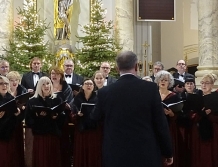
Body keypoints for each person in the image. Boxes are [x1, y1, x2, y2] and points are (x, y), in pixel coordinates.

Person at [91, 51, 173, 167]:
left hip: (115, 153)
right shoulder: (150, 89)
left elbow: (95, 117)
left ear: (117, 68)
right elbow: (160, 123)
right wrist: (168, 152)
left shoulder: (105, 92)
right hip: (145, 152)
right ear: (136, 66)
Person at [25, 76, 64, 167]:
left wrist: (56, 117)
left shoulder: (57, 99)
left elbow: (63, 117)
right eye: (43, 84)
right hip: (40, 135)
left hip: (53, 133)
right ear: (39, 86)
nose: (46, 86)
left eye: (48, 84)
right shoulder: (32, 101)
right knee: (41, 159)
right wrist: (38, 117)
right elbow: (28, 120)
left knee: (53, 159)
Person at [71, 78, 102, 167]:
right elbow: (72, 112)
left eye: (91, 84)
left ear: (94, 86)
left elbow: (102, 113)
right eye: (86, 84)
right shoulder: (77, 98)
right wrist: (77, 114)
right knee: (81, 153)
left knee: (93, 153)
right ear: (83, 86)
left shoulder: (98, 98)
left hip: (94, 130)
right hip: (81, 130)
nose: (88, 85)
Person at [155, 70, 182, 167]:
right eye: (161, 79)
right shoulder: (153, 95)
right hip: (155, 127)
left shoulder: (174, 96)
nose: (163, 81)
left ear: (169, 82)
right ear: (158, 81)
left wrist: (171, 114)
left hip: (169, 126)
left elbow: (179, 115)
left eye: (166, 80)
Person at [49, 66, 73, 167]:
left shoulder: (66, 88)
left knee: (62, 143)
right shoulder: (46, 85)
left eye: (57, 74)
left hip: (62, 119)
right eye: (52, 74)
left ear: (61, 76)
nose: (54, 76)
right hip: (49, 119)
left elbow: (70, 102)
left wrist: (67, 105)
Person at [0, 76, 24, 167]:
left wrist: (18, 114)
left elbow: (17, 118)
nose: (4, 85)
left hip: (10, 133)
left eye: (6, 83)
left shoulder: (11, 98)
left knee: (10, 158)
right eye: (1, 83)